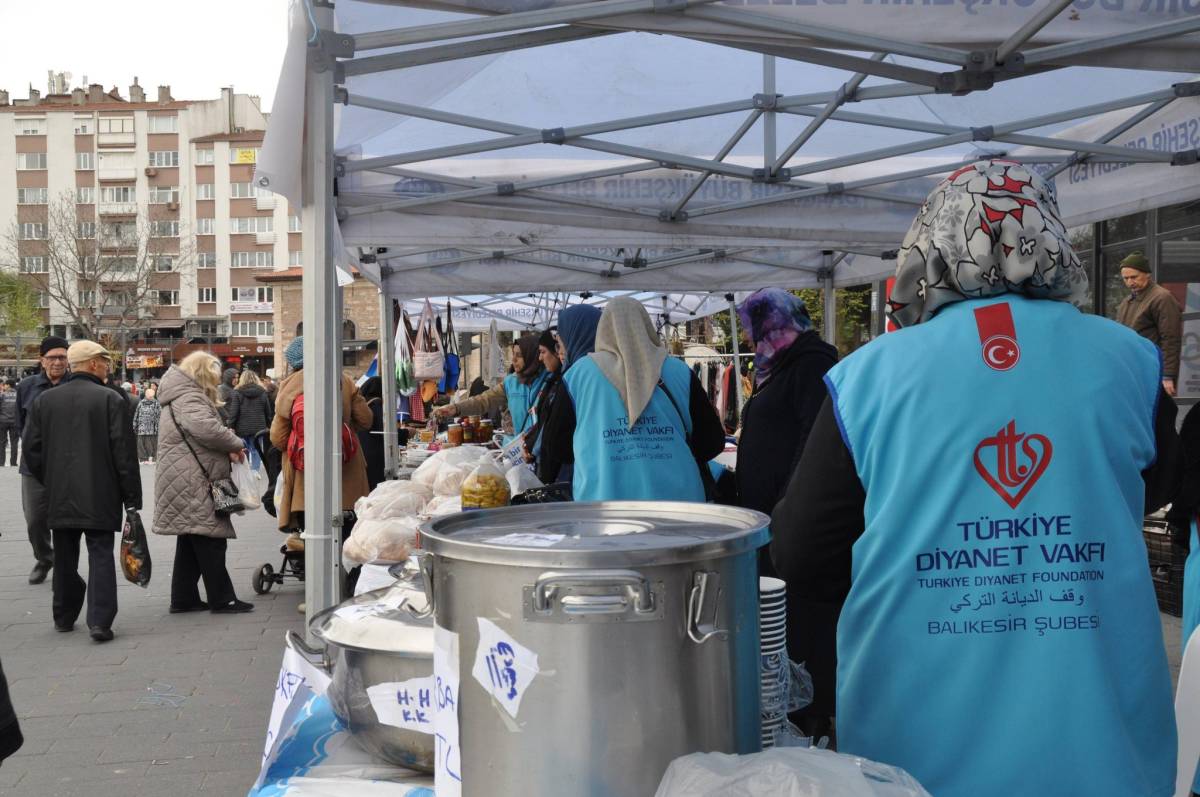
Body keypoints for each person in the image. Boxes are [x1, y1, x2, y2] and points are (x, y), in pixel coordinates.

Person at [771, 161, 1180, 797]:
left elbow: (801, 550)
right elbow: (1151, 490)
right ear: (1047, 234)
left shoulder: (869, 377)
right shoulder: (1127, 358)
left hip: (915, 754)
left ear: (932, 242)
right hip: (1100, 749)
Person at [23, 341, 141, 642]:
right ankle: (99, 621)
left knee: (64, 555)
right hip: (101, 492)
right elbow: (124, 455)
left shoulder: (45, 401)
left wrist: (50, 479)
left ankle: (63, 615)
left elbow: (32, 453)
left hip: (59, 493)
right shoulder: (110, 399)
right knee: (100, 554)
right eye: (104, 361)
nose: (106, 366)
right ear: (92, 364)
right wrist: (131, 498)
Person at [556, 297, 724, 501]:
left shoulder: (578, 376)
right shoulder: (679, 372)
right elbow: (713, 441)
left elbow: (558, 447)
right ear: (646, 326)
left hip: (603, 508)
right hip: (680, 505)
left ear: (604, 329)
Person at [153, 352, 254, 614]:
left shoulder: (180, 394)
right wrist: (235, 442)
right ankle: (223, 599)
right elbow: (206, 429)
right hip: (194, 479)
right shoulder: (189, 396)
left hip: (185, 476)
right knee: (211, 537)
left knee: (191, 538)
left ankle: (183, 598)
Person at [270, 337, 373, 538]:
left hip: (305, 477)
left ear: (293, 362)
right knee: (347, 536)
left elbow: (278, 438)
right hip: (346, 469)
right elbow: (366, 420)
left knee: (312, 535)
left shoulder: (288, 387)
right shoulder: (343, 379)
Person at [16, 335, 70, 585]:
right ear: (42, 360)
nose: (58, 362)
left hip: (68, 465)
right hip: (33, 466)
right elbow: (21, 424)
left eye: (62, 357)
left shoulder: (75, 385)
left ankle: (64, 565)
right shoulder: (27, 387)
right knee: (35, 520)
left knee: (65, 519)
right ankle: (45, 557)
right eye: (52, 357)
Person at [534, 304, 602, 484]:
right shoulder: (613, 372)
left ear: (575, 336)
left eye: (561, 342)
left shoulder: (575, 376)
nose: (560, 350)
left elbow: (557, 443)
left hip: (577, 479)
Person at [434, 334, 548, 440]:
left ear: (532, 356)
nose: (513, 360)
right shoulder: (511, 382)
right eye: (513, 354)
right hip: (517, 448)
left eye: (520, 355)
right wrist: (456, 408)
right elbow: (484, 400)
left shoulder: (549, 381)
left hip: (541, 449)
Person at [1116, 251, 1182, 397]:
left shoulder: (1162, 297)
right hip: (1132, 372)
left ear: (1147, 274)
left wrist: (1167, 375)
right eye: (1125, 278)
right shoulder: (1126, 302)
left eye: (1134, 277)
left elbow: (1171, 338)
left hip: (1153, 372)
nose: (1130, 282)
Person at [523, 329, 563, 465]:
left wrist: (533, 448)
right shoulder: (552, 381)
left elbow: (553, 427)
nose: (540, 358)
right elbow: (544, 421)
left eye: (543, 352)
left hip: (557, 466)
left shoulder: (564, 382)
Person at [225, 370, 274, 470]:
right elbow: (267, 411)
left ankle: (246, 469)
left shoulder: (237, 392)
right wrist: (269, 425)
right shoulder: (262, 392)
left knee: (244, 448)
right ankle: (255, 471)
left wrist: (231, 426)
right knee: (256, 449)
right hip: (259, 427)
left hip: (242, 427)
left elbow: (234, 412)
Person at [358, 376, 386, 492]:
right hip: (374, 455)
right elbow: (383, 430)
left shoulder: (363, 404)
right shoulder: (375, 404)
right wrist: (405, 433)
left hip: (363, 452)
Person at [132, 385, 161, 464]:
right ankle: (151, 458)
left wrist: (134, 426)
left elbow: (136, 415)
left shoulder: (141, 403)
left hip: (143, 428)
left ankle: (144, 459)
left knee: (142, 444)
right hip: (152, 428)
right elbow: (159, 416)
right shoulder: (156, 404)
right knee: (152, 443)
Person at [0, 381, 18, 467]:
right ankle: (13, 462)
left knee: (1, 442)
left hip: (2, 421)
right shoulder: (18, 395)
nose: (4, 386)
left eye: (5, 385)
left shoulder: (2, 395)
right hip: (15, 421)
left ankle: (1, 462)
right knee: (14, 442)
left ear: (8, 385)